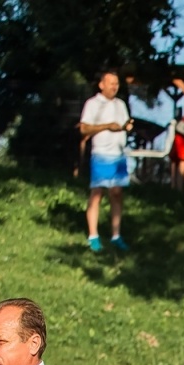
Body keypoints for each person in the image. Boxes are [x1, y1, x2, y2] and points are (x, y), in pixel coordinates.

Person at [78, 71, 133, 253]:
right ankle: (93, 236)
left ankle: (116, 236)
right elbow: (84, 129)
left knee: (117, 194)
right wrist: (107, 126)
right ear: (101, 85)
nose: (114, 87)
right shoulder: (93, 104)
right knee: (97, 193)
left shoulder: (121, 104)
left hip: (118, 155)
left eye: (116, 83)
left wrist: (128, 127)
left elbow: (125, 124)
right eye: (111, 83)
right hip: (101, 154)